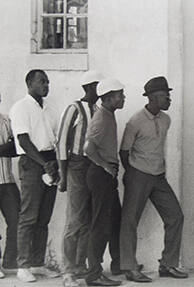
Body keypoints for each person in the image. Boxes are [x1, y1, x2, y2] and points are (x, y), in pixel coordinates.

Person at [119, 76, 187, 282]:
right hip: (138, 174)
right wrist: (131, 175)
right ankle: (129, 267)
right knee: (130, 221)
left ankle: (167, 264)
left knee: (176, 216)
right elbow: (124, 152)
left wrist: (160, 171)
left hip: (158, 176)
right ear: (154, 97)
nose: (169, 99)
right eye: (166, 95)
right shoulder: (135, 121)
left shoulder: (166, 119)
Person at [10, 69, 60, 282]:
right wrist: (44, 164)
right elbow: (23, 140)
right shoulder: (21, 108)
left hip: (50, 162)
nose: (46, 85)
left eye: (47, 82)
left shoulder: (49, 110)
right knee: (28, 217)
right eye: (42, 82)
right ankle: (23, 266)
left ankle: (38, 263)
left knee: (43, 218)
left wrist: (54, 165)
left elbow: (55, 140)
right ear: (29, 83)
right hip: (33, 163)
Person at [57, 71, 104, 287]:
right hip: (76, 166)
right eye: (97, 86)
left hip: (92, 167)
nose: (99, 91)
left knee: (87, 219)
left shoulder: (98, 110)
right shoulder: (74, 109)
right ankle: (67, 270)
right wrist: (63, 175)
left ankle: (79, 265)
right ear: (88, 88)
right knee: (75, 220)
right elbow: (61, 143)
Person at [84, 78, 125, 286]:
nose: (123, 98)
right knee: (100, 224)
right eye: (120, 95)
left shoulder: (109, 114)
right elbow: (88, 149)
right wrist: (106, 166)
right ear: (108, 99)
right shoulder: (101, 118)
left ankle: (118, 264)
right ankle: (93, 274)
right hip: (100, 176)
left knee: (115, 220)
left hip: (107, 175)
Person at [0, 93, 20, 279]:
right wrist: (3, 148)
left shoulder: (7, 120)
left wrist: (6, 148)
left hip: (7, 181)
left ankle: (10, 260)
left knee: (17, 220)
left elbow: (17, 147)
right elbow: (8, 148)